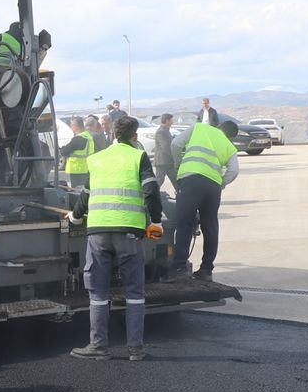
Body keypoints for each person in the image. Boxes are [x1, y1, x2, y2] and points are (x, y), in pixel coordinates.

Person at [66, 116, 163, 361]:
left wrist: (75, 217)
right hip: (129, 232)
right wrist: (156, 221)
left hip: (98, 232)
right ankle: (135, 349)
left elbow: (85, 195)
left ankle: (98, 347)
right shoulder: (138, 156)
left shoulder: (97, 159)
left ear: (112, 135)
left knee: (98, 292)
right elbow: (151, 191)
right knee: (134, 292)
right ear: (135, 136)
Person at [163, 119, 239, 282]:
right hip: (213, 186)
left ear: (219, 127)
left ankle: (179, 268)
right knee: (210, 225)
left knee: (184, 223)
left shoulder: (199, 128)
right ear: (231, 137)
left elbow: (175, 144)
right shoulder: (230, 146)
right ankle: (206, 270)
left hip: (191, 180)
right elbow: (234, 171)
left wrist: (178, 163)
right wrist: (221, 183)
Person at [60, 116, 97, 189]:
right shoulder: (88, 136)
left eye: (71, 125)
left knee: (77, 190)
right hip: (87, 168)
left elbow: (64, 151)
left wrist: (61, 148)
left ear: (76, 126)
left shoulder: (78, 138)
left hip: (77, 170)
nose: (71, 127)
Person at [153, 114, 176, 192]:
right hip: (162, 162)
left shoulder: (166, 130)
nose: (172, 122)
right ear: (167, 121)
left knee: (176, 180)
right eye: (171, 120)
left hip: (168, 162)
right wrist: (174, 159)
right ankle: (150, 196)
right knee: (159, 181)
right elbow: (165, 148)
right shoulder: (161, 132)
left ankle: (182, 195)